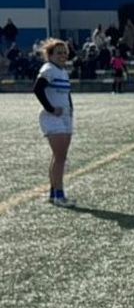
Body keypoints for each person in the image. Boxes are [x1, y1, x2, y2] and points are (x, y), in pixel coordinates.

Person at [34, 39, 75, 206]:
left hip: (65, 118)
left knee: (59, 157)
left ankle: (54, 193)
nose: (63, 55)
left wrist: (70, 109)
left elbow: (66, 94)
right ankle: (59, 195)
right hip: (53, 119)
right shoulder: (49, 69)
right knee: (60, 158)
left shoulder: (62, 71)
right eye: (58, 53)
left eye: (64, 52)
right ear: (49, 55)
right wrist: (51, 109)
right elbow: (38, 89)